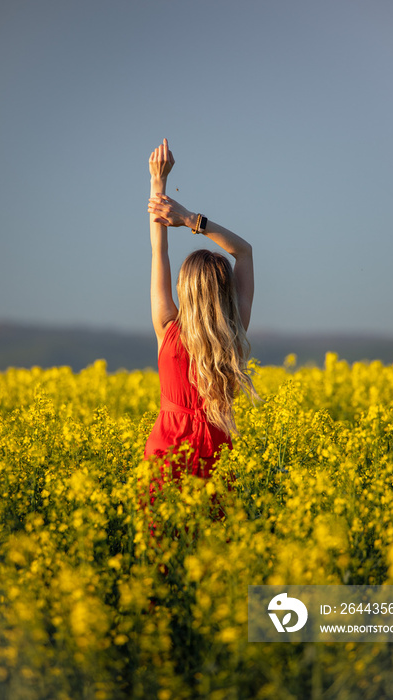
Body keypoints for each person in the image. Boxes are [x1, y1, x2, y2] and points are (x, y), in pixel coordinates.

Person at [144, 138, 256, 498]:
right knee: (214, 551)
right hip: (215, 451)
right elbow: (245, 252)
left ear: (184, 288)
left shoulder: (167, 328)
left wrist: (157, 183)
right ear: (224, 291)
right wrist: (192, 219)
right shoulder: (234, 329)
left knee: (163, 548)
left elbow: (157, 250)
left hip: (166, 448)